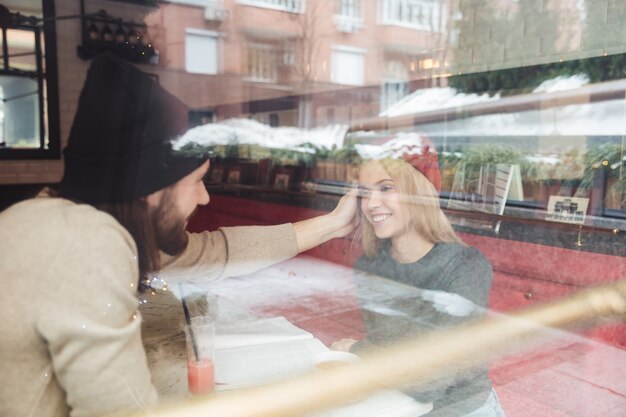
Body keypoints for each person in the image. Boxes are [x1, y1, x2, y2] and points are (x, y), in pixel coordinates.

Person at [0, 52, 356, 417]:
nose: (203, 197)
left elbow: (215, 252)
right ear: (150, 188)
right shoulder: (87, 244)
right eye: (197, 181)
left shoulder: (72, 220)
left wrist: (333, 224)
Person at [332, 141, 506, 417]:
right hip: (398, 404)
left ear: (420, 192)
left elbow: (428, 382)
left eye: (386, 188)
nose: (371, 204)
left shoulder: (465, 266)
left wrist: (357, 349)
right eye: (365, 193)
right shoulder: (368, 266)